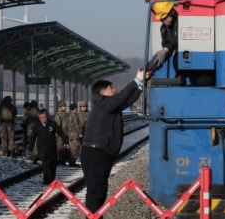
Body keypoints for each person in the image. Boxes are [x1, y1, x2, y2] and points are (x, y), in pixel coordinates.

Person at [81, 70, 144, 215]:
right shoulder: (101, 104)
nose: (114, 90)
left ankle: (96, 215)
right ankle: (92, 216)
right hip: (94, 152)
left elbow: (126, 101)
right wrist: (135, 80)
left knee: (101, 189)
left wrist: (140, 86)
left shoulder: (108, 106)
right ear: (102, 92)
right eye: (111, 88)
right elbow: (121, 97)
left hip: (102, 152)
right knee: (95, 190)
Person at [29, 109, 69, 185]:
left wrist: (65, 142)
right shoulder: (37, 125)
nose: (42, 119)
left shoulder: (52, 124)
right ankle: (46, 180)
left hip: (51, 148)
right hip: (42, 148)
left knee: (52, 165)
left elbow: (60, 132)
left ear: (47, 116)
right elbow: (33, 137)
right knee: (44, 166)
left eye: (44, 117)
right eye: (41, 117)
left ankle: (52, 180)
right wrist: (30, 149)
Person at [54, 100, 69, 165]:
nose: (65, 107)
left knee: (66, 149)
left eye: (65, 106)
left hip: (67, 134)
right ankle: (61, 161)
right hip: (61, 134)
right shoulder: (58, 115)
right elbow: (57, 126)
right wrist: (59, 135)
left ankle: (65, 160)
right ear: (60, 107)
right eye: (63, 106)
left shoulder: (67, 114)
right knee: (61, 149)